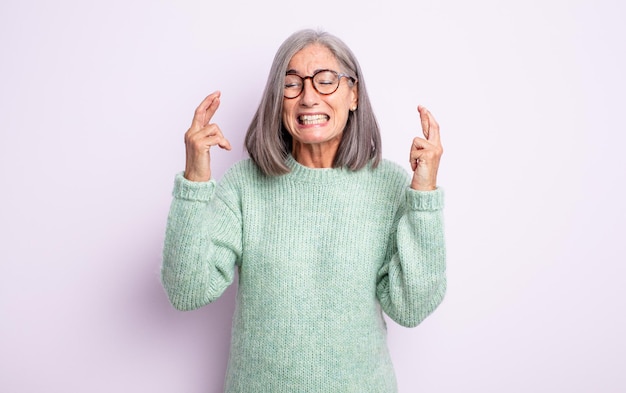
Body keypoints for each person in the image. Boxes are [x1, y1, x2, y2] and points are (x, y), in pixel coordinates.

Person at [162, 29, 446, 392]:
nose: (309, 97)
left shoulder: (389, 187)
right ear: (278, 100)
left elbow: (411, 307)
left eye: (326, 81)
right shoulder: (245, 185)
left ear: (354, 94)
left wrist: (423, 196)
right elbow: (188, 290)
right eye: (292, 84)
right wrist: (195, 182)